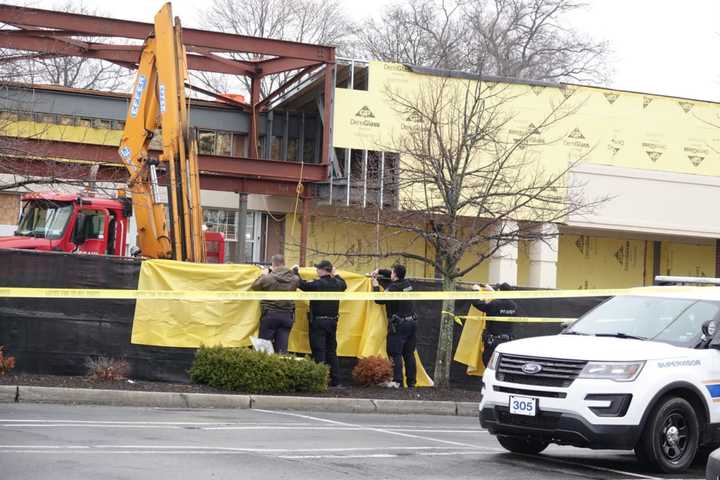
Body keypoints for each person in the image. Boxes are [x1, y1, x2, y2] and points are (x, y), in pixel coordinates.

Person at [294, 260, 347, 387]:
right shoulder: (338, 283)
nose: (316, 271)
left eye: (318, 268)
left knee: (319, 351)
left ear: (323, 270)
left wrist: (295, 272)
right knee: (332, 352)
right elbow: (344, 284)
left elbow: (301, 284)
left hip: (318, 322)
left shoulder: (317, 284)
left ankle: (320, 380)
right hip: (332, 322)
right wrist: (336, 274)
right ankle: (336, 381)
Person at [372, 264, 417, 388]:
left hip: (399, 325)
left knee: (394, 353)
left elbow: (378, 300)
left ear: (395, 274)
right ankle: (412, 383)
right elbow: (395, 275)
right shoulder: (407, 284)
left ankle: (397, 381)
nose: (390, 273)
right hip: (411, 323)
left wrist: (375, 285)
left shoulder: (393, 288)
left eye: (391, 272)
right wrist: (380, 270)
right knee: (409, 354)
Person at [250, 254, 300, 354]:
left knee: (264, 349)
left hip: (270, 314)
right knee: (282, 350)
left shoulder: (268, 278)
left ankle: (266, 369)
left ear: (273, 264)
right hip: (287, 315)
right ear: (284, 263)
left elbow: (254, 286)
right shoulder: (294, 279)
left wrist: (264, 274)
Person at [471, 282, 518, 366]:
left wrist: (475, 291)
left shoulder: (495, 304)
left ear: (500, 291)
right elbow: (501, 303)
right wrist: (492, 291)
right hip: (507, 341)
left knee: (489, 363)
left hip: (493, 342)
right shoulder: (513, 305)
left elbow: (478, 303)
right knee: (503, 364)